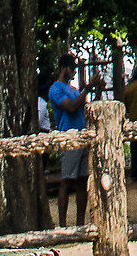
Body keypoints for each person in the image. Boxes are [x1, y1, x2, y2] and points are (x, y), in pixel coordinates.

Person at [48, 57, 89, 227]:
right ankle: (63, 224)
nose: (73, 72)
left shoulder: (73, 89)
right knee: (67, 180)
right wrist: (87, 90)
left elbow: (84, 108)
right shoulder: (56, 89)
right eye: (72, 68)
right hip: (68, 137)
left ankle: (80, 223)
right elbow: (71, 107)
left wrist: (94, 89)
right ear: (64, 68)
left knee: (82, 180)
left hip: (81, 136)